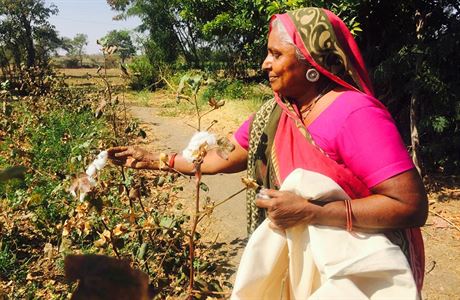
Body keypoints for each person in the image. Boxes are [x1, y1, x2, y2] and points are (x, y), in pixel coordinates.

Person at [108, 7, 427, 293]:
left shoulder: (355, 114)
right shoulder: (275, 114)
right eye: (267, 53)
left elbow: (409, 206)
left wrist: (313, 213)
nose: (265, 64)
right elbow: (223, 156)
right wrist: (158, 159)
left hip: (356, 269)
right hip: (304, 261)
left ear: (313, 63)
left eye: (277, 54)